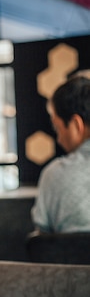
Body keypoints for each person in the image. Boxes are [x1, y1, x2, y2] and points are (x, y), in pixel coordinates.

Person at [31, 75, 90, 233]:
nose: (59, 139)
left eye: (57, 128)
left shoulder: (54, 174)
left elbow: (42, 240)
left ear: (76, 125)